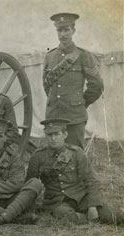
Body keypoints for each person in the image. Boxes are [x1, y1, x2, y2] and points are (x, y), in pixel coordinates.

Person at [26, 118, 124, 224]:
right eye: (49, 135)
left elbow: (91, 180)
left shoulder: (77, 153)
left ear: (65, 135)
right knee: (61, 213)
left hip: (81, 198)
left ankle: (91, 218)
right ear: (46, 136)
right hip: (58, 202)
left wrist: (92, 206)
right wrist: (30, 210)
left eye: (56, 134)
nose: (53, 138)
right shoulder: (38, 156)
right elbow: (30, 185)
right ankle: (90, 220)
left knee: (108, 215)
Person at [43, 13, 104, 148]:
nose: (63, 34)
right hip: (53, 115)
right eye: (60, 30)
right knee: (53, 156)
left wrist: (80, 103)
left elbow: (97, 85)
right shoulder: (50, 57)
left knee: (75, 156)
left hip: (74, 117)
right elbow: (47, 85)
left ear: (73, 31)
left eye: (66, 30)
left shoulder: (83, 56)